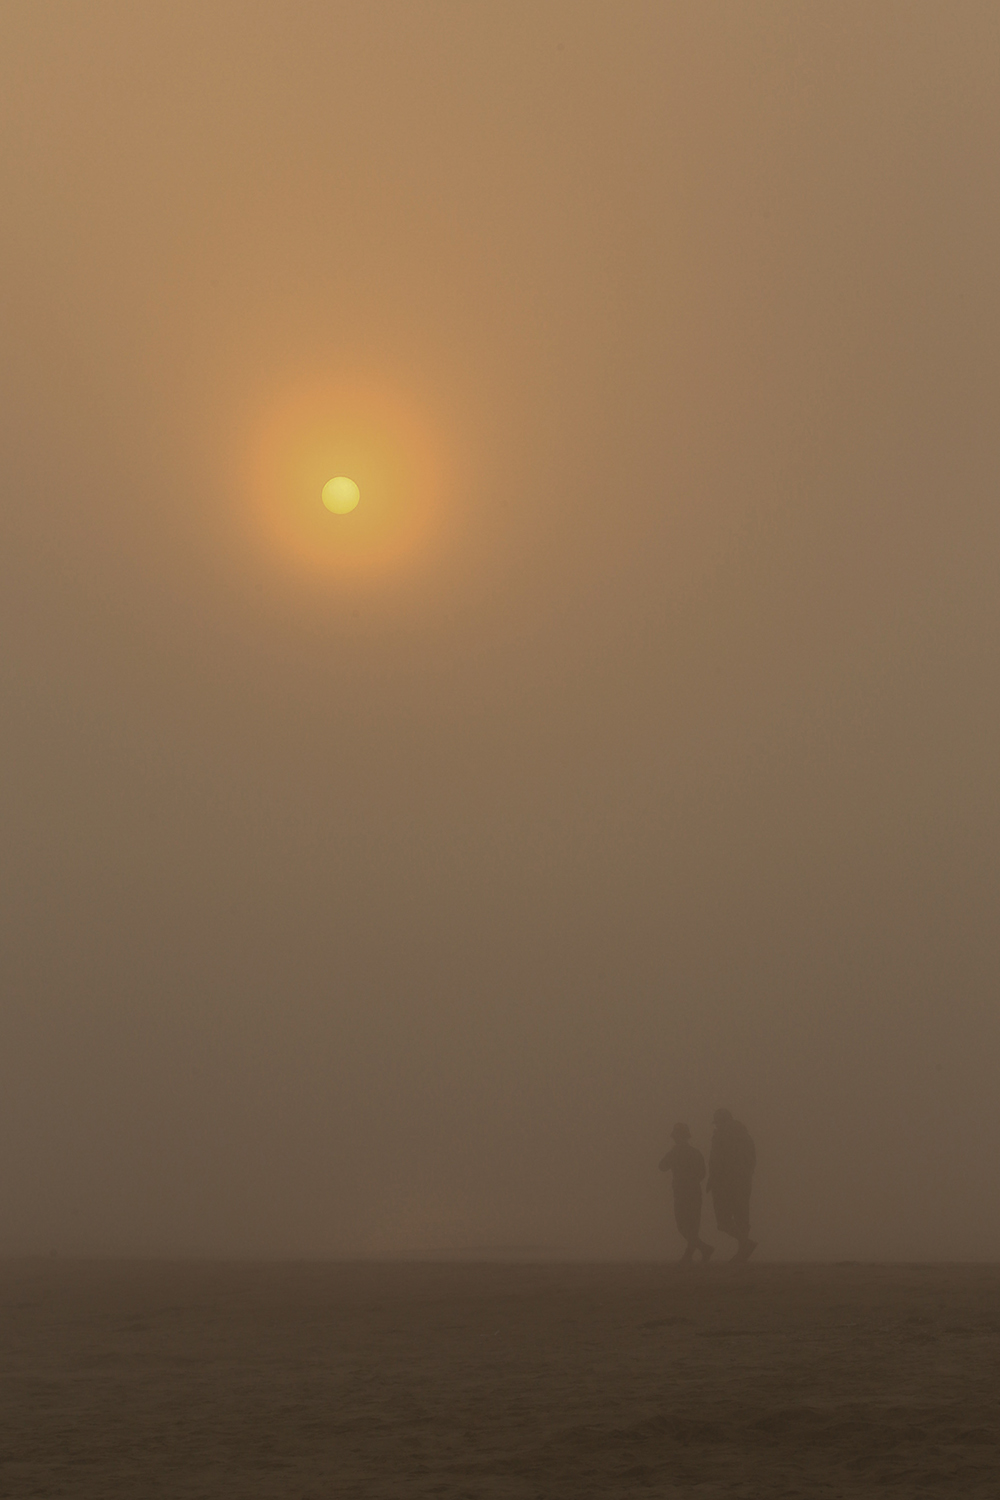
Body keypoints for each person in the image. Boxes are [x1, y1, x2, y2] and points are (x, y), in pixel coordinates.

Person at [706, 1108, 757, 1261]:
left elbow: (717, 1160)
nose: (716, 1126)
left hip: (724, 1183)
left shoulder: (721, 1135)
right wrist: (745, 1176)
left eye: (717, 1123)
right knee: (742, 1217)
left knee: (723, 1221)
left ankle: (745, 1244)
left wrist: (713, 1179)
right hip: (743, 1182)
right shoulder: (746, 1136)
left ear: (721, 1121)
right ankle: (743, 1252)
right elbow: (752, 1160)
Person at [659, 1123, 714, 1264]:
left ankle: (699, 1251)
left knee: (683, 1225)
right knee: (692, 1225)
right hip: (694, 1192)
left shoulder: (675, 1152)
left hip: (682, 1193)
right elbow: (702, 1173)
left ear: (677, 1137)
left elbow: (662, 1166)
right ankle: (696, 1252)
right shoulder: (695, 1152)